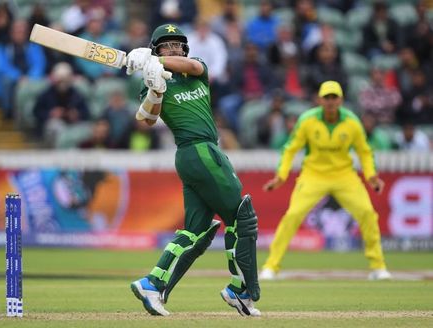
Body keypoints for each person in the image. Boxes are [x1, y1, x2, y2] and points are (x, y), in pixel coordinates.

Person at [125, 23, 261, 316]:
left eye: (177, 44)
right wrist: (156, 91)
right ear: (156, 48)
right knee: (241, 217)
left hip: (201, 153)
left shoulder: (196, 67)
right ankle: (240, 289)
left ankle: (152, 283)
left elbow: (191, 66)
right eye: (166, 45)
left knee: (195, 231)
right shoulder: (153, 79)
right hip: (195, 150)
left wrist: (155, 60)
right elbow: (146, 119)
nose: (173, 48)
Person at [259, 81, 392, 281]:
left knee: (367, 213)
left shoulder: (352, 122)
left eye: (334, 97)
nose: (330, 102)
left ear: (341, 100)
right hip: (314, 174)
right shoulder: (308, 120)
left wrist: (371, 176)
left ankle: (378, 267)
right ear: (319, 100)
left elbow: (365, 151)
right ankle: (271, 266)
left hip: (344, 175)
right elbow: (290, 149)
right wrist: (281, 176)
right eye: (326, 98)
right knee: (293, 215)